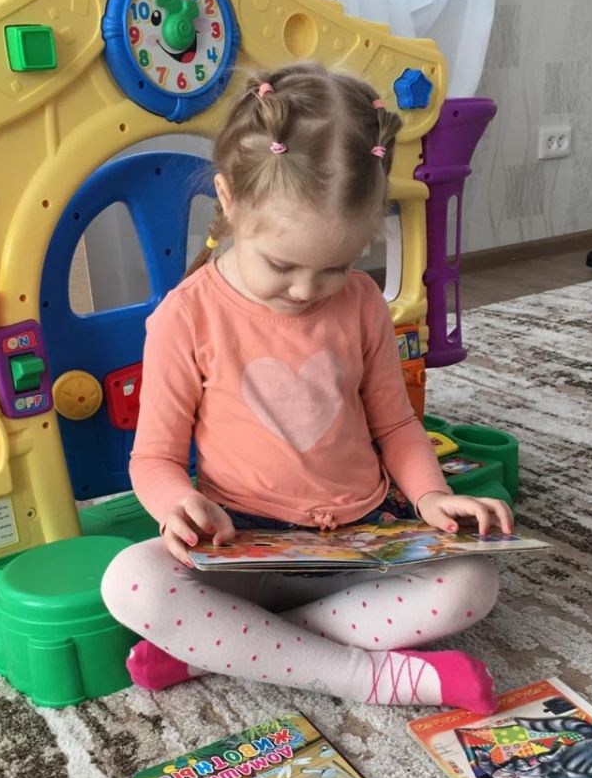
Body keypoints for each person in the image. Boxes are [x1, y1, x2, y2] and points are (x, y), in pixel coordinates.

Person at [101, 61, 512, 711]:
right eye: (281, 264)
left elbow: (396, 425)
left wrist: (432, 497)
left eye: (336, 267)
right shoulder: (187, 317)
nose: (304, 290)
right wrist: (177, 504)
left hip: (362, 543)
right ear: (229, 199)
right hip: (241, 546)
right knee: (132, 581)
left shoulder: (363, 302)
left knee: (473, 583)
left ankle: (233, 649)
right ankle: (368, 678)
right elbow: (153, 458)